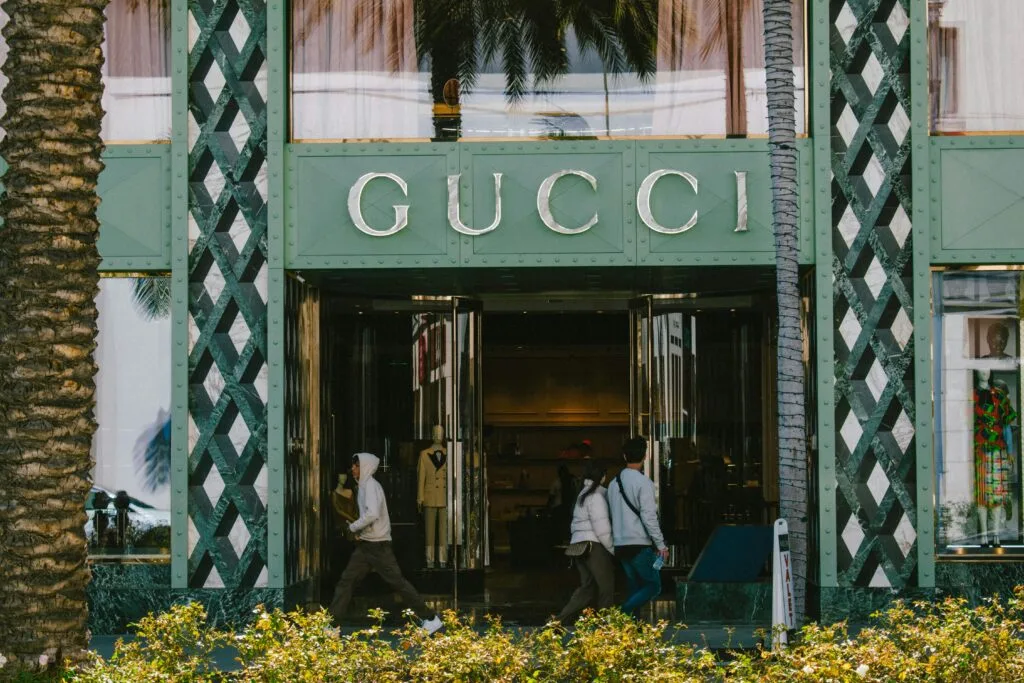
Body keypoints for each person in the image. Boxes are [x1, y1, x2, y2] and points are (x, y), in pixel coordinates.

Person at [329, 452, 443, 634]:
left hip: (377, 546)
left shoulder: (370, 487)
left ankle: (430, 618)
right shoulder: (366, 486)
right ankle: (332, 625)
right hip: (369, 545)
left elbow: (372, 514)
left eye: (356, 466)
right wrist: (360, 531)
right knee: (347, 581)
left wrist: (353, 528)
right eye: (353, 466)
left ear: (364, 467)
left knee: (397, 583)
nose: (353, 469)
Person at [607, 437, 668, 617]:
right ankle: (621, 614)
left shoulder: (613, 483)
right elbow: (649, 517)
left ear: (624, 455)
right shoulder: (644, 483)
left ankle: (632, 630)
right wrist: (660, 544)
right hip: (639, 543)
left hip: (619, 543)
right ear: (645, 456)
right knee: (653, 586)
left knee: (634, 587)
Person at [556, 459, 615, 624]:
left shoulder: (583, 493)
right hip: (593, 546)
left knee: (587, 588)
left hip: (579, 546)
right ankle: (606, 627)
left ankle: (558, 621)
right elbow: (602, 528)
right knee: (606, 587)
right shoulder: (596, 496)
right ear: (602, 476)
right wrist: (613, 548)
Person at [973, 370, 1018, 547]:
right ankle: (984, 535)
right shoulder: (970, 396)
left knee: (997, 494)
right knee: (982, 494)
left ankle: (996, 535)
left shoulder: (999, 395)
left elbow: (1006, 426)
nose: (984, 372)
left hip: (997, 450)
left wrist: (1009, 451)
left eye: (987, 368)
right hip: (979, 452)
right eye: (981, 368)